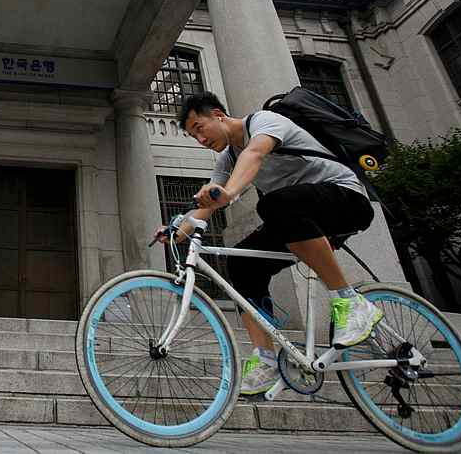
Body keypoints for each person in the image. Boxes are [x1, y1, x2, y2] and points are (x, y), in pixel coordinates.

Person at [161, 91, 380, 396]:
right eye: (192, 135)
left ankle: (352, 303)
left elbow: (256, 155)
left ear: (219, 115)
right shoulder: (228, 158)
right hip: (297, 216)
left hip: (345, 199)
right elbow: (210, 202)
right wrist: (176, 232)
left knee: (275, 205)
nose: (200, 139)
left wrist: (230, 192)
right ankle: (264, 358)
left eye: (200, 127)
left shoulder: (265, 122)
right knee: (240, 265)